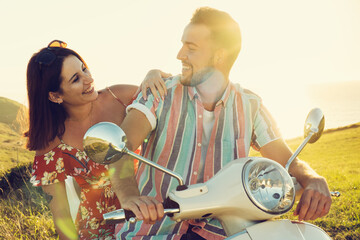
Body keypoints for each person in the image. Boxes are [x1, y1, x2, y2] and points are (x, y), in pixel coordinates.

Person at [109, 7, 332, 239]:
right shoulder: (158, 93)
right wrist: (130, 198)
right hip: (153, 230)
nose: (179, 54)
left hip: (223, 232)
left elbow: (286, 159)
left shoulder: (251, 104)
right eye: (182, 44)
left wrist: (313, 178)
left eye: (191, 48)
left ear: (219, 56)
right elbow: (119, 150)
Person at [26, 40, 169, 240]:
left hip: (149, 215)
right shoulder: (50, 143)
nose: (89, 79)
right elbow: (61, 216)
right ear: (55, 95)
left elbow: (168, 96)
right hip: (97, 229)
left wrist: (153, 73)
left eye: (85, 69)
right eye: (76, 78)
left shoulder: (120, 98)